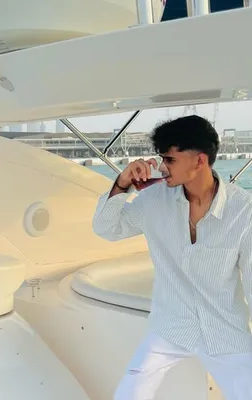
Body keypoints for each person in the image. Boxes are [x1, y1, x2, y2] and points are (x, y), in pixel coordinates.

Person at [92, 115, 252, 400]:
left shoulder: (244, 211)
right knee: (129, 393)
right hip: (170, 327)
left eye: (169, 159)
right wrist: (122, 184)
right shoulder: (154, 200)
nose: (162, 167)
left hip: (225, 331)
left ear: (199, 161)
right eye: (162, 158)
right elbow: (107, 228)